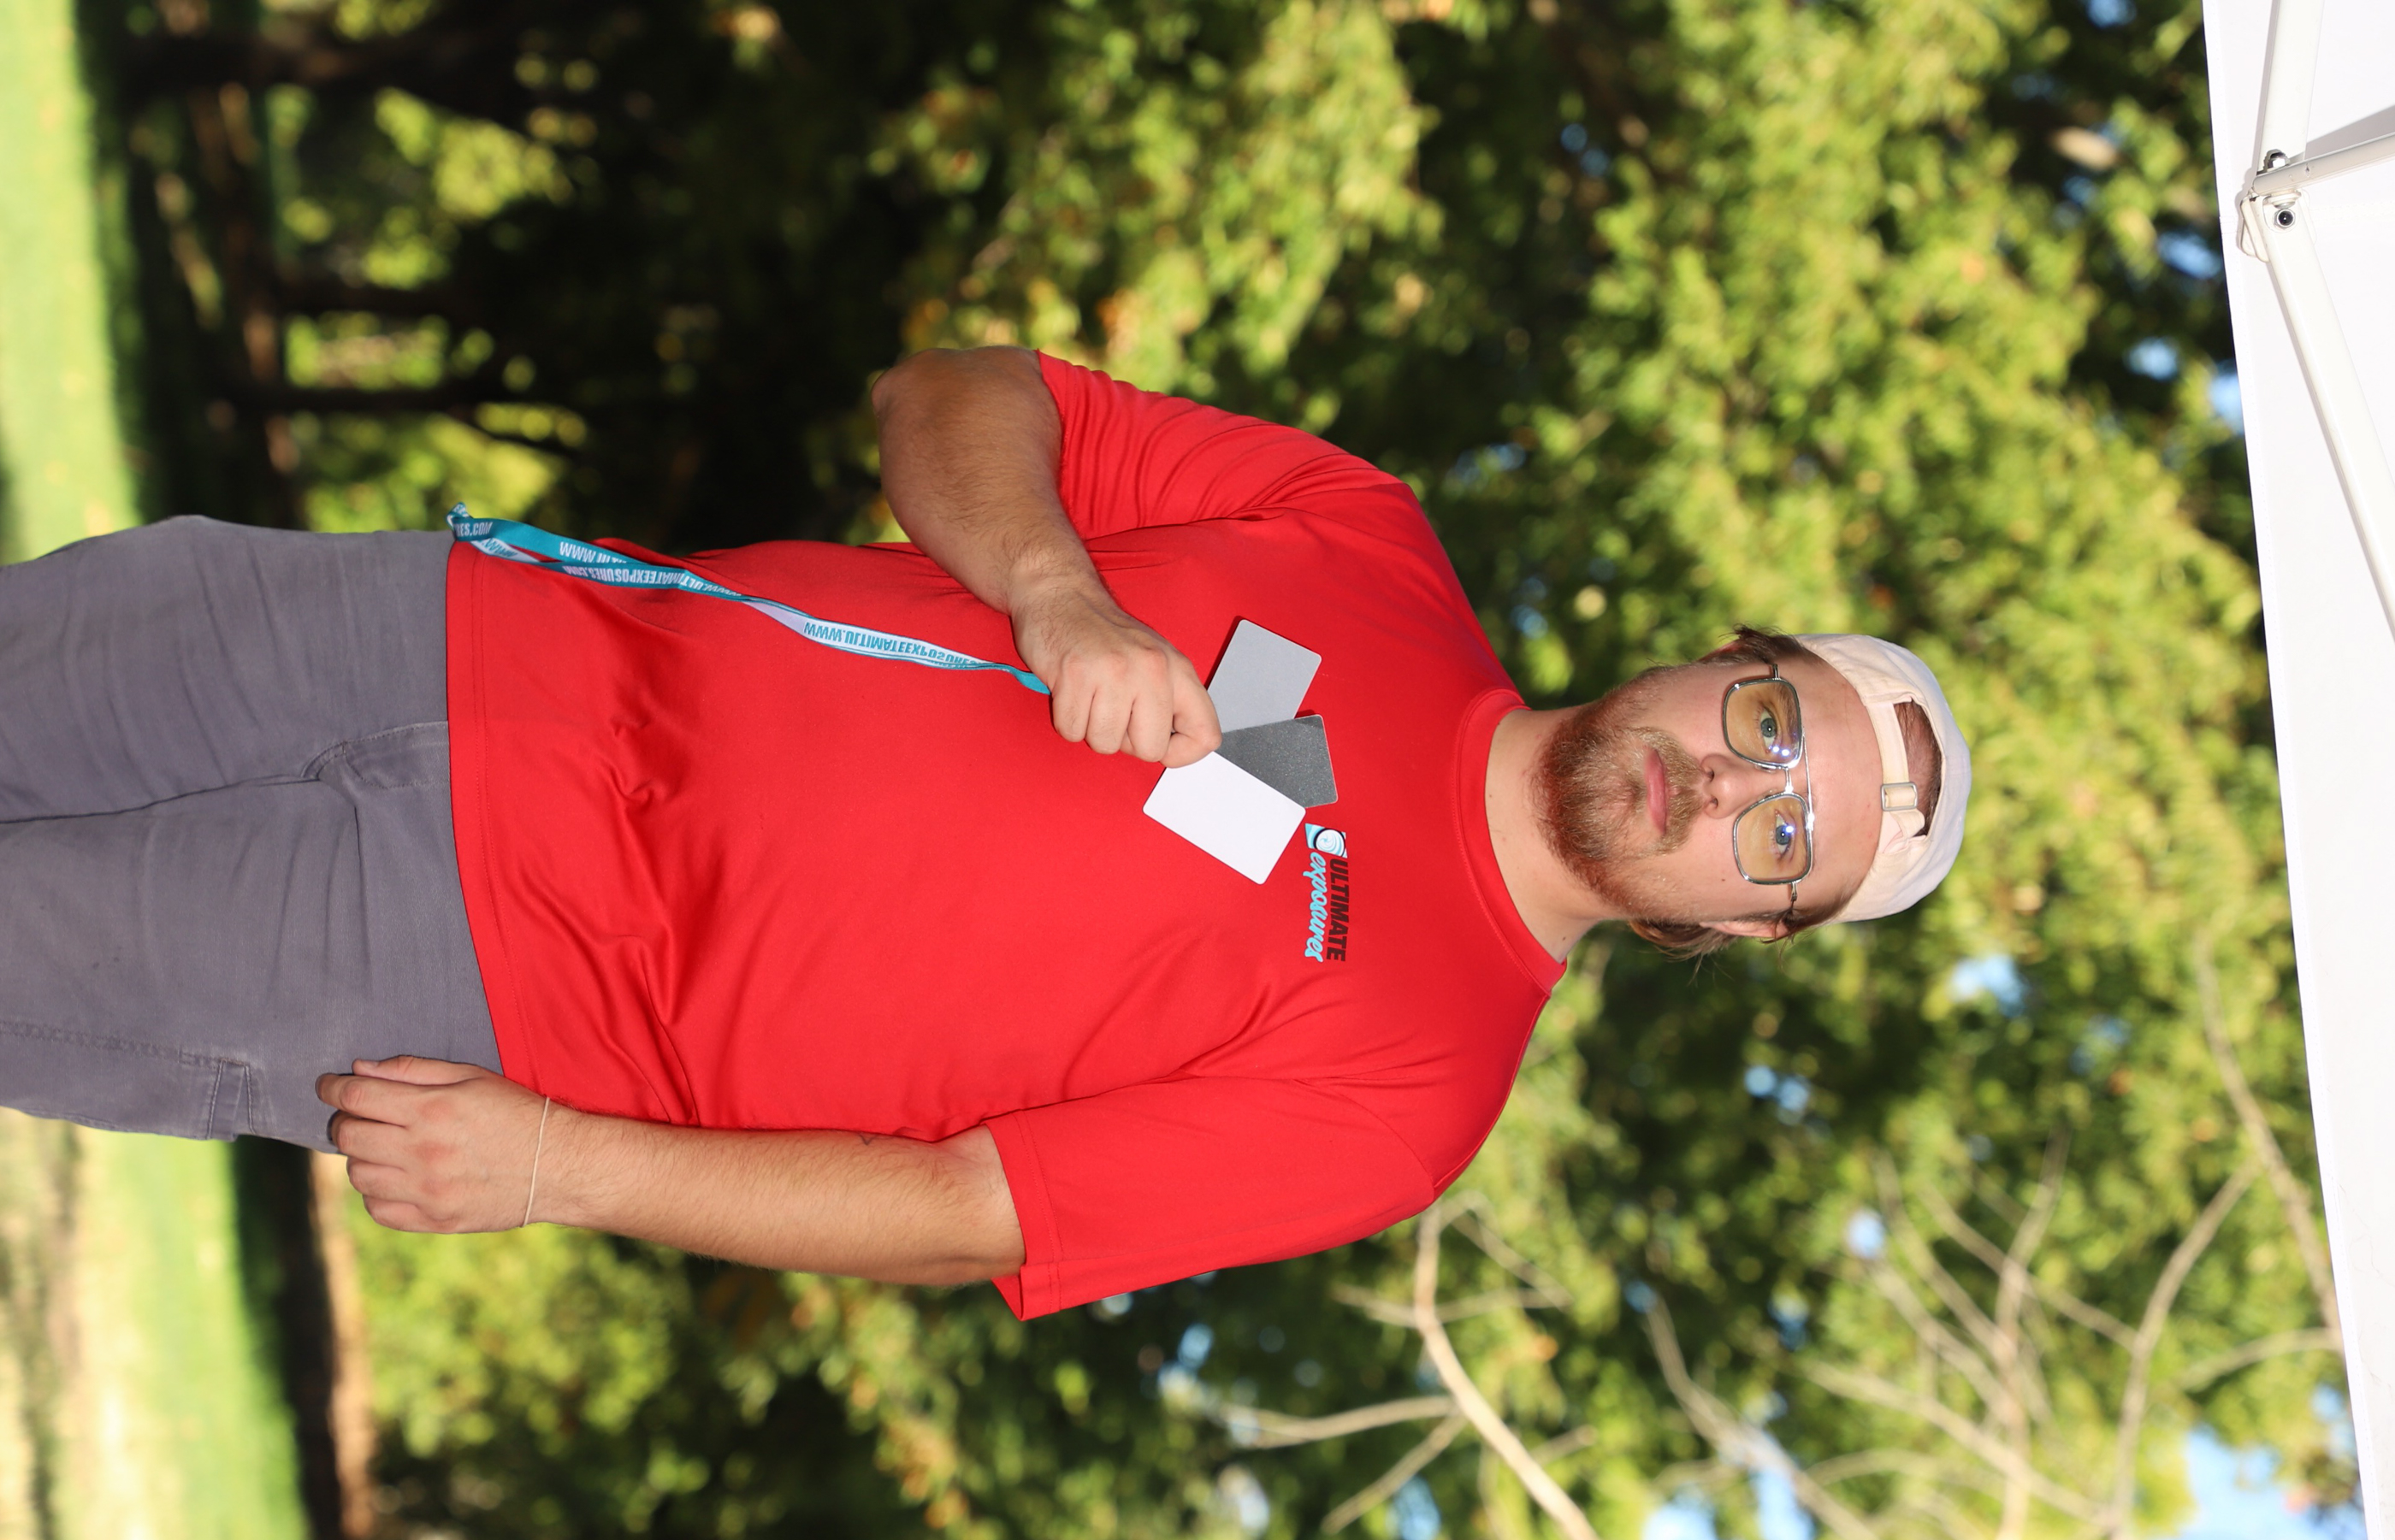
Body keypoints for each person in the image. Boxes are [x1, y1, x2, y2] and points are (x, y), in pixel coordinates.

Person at [0, 349, 1968, 1317]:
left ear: (1746, 927)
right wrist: (1055, 589)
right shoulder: (1366, 538)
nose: (1729, 786)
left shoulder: (1416, 1093)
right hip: (455, 629)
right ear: (1720, 660)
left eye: (1780, 839)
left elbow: (969, 1210)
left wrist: (552, 1164)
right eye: (1766, 724)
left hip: (475, 965)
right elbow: (952, 393)